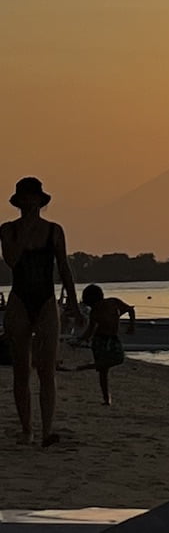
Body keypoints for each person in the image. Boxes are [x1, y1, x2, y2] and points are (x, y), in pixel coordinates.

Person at [0, 177, 83, 446]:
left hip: (46, 301)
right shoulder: (8, 230)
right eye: (25, 198)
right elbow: (11, 260)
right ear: (19, 201)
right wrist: (25, 230)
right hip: (20, 300)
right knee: (21, 370)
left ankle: (47, 431)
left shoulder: (54, 231)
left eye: (33, 197)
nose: (29, 202)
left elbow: (64, 268)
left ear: (40, 199)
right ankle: (27, 429)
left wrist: (73, 302)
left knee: (47, 369)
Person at [77, 284, 134, 405]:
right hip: (100, 340)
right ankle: (106, 398)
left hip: (112, 338)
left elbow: (130, 309)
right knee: (103, 371)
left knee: (118, 359)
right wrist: (81, 339)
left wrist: (132, 325)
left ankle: (90, 366)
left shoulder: (113, 302)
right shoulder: (97, 311)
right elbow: (91, 330)